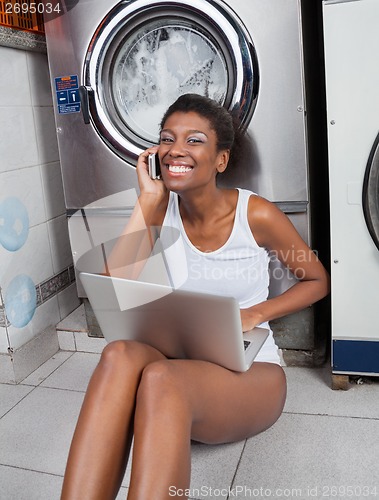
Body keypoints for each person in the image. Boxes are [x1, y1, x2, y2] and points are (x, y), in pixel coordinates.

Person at [61, 94, 329, 499]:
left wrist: (256, 313)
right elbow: (112, 297)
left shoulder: (255, 215)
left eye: (195, 140)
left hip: (249, 374)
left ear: (221, 160)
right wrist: (147, 203)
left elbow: (316, 281)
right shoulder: (158, 209)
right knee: (118, 355)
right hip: (179, 365)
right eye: (167, 139)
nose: (176, 150)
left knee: (162, 379)